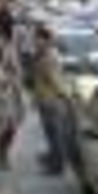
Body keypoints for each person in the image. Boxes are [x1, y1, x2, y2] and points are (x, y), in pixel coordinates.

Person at [29, 26, 71, 175]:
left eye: (37, 39)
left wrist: (64, 96)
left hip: (52, 101)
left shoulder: (50, 56)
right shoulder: (42, 54)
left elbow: (55, 79)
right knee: (50, 134)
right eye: (35, 39)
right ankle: (53, 159)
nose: (35, 41)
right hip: (45, 99)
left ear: (45, 40)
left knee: (55, 135)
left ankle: (57, 166)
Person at [0, 41, 27, 171]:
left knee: (12, 131)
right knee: (2, 131)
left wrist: (22, 103)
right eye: (7, 55)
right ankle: (2, 158)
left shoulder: (16, 70)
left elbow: (20, 87)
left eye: (11, 55)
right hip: (0, 105)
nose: (9, 57)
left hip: (14, 104)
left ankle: (4, 154)